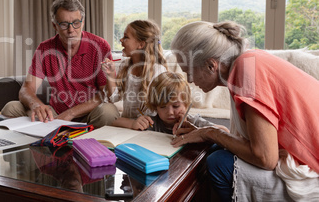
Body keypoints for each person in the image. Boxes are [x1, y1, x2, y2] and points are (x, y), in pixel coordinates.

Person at [170, 21, 319, 201]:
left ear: (211, 65)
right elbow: (253, 138)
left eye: (189, 71)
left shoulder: (247, 69)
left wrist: (212, 132)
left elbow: (265, 157)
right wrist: (208, 133)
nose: (189, 80)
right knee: (215, 148)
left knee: (218, 163)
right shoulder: (248, 61)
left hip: (313, 172)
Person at [1, 0, 119, 128]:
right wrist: (37, 105)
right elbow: (26, 89)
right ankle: (28, 148)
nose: (71, 30)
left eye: (76, 23)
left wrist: (71, 113)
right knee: (11, 108)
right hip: (55, 114)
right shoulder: (45, 48)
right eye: (64, 24)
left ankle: (90, 146)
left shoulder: (100, 46)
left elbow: (104, 94)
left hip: (90, 114)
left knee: (108, 111)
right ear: (55, 26)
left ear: (83, 22)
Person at [111, 71, 229, 134]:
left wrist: (197, 131)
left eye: (176, 106)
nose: (170, 112)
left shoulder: (194, 122)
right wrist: (133, 124)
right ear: (155, 106)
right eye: (163, 107)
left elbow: (225, 131)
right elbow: (112, 121)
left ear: (186, 103)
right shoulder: (151, 123)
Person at [101, 20, 167, 127]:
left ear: (141, 44)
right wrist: (111, 74)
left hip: (147, 126)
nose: (121, 40)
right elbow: (114, 98)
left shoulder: (158, 71)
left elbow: (157, 111)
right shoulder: (125, 66)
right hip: (127, 124)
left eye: (126, 37)